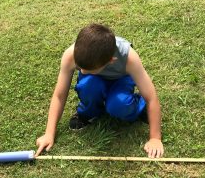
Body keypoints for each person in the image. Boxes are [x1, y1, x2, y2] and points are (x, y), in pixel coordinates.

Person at [35, 23, 164, 158]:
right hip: (94, 81)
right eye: (80, 67)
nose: (82, 71)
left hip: (121, 79)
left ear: (111, 61)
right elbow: (59, 95)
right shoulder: (71, 55)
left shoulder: (129, 58)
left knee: (118, 105)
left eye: (88, 69)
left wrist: (155, 138)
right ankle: (88, 113)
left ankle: (138, 106)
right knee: (88, 86)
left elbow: (151, 97)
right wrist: (49, 133)